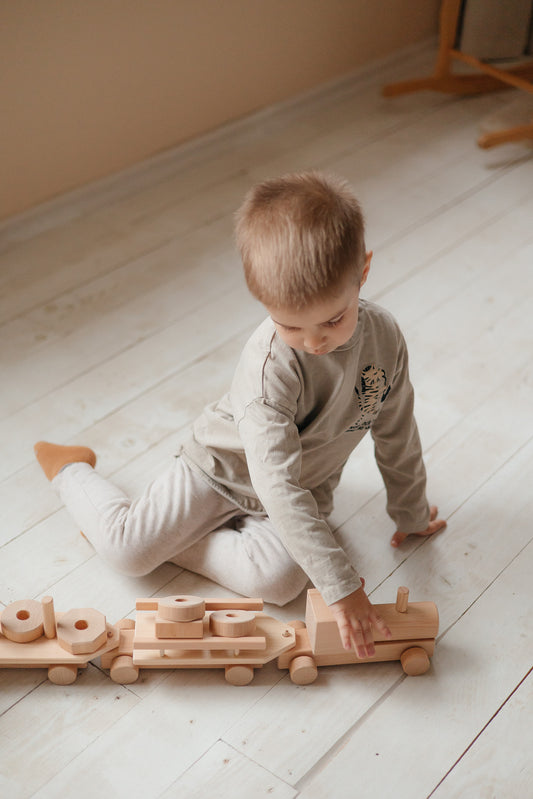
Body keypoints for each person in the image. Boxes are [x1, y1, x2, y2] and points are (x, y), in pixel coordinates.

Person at [34, 172, 446, 659]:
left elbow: (396, 428)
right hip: (219, 471)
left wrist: (411, 511)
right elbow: (274, 481)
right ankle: (71, 470)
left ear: (363, 271)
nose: (315, 341)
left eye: (333, 319)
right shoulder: (270, 366)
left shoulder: (385, 338)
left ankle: (161, 534)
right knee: (128, 555)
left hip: (302, 486)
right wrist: (341, 587)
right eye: (290, 325)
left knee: (280, 581)